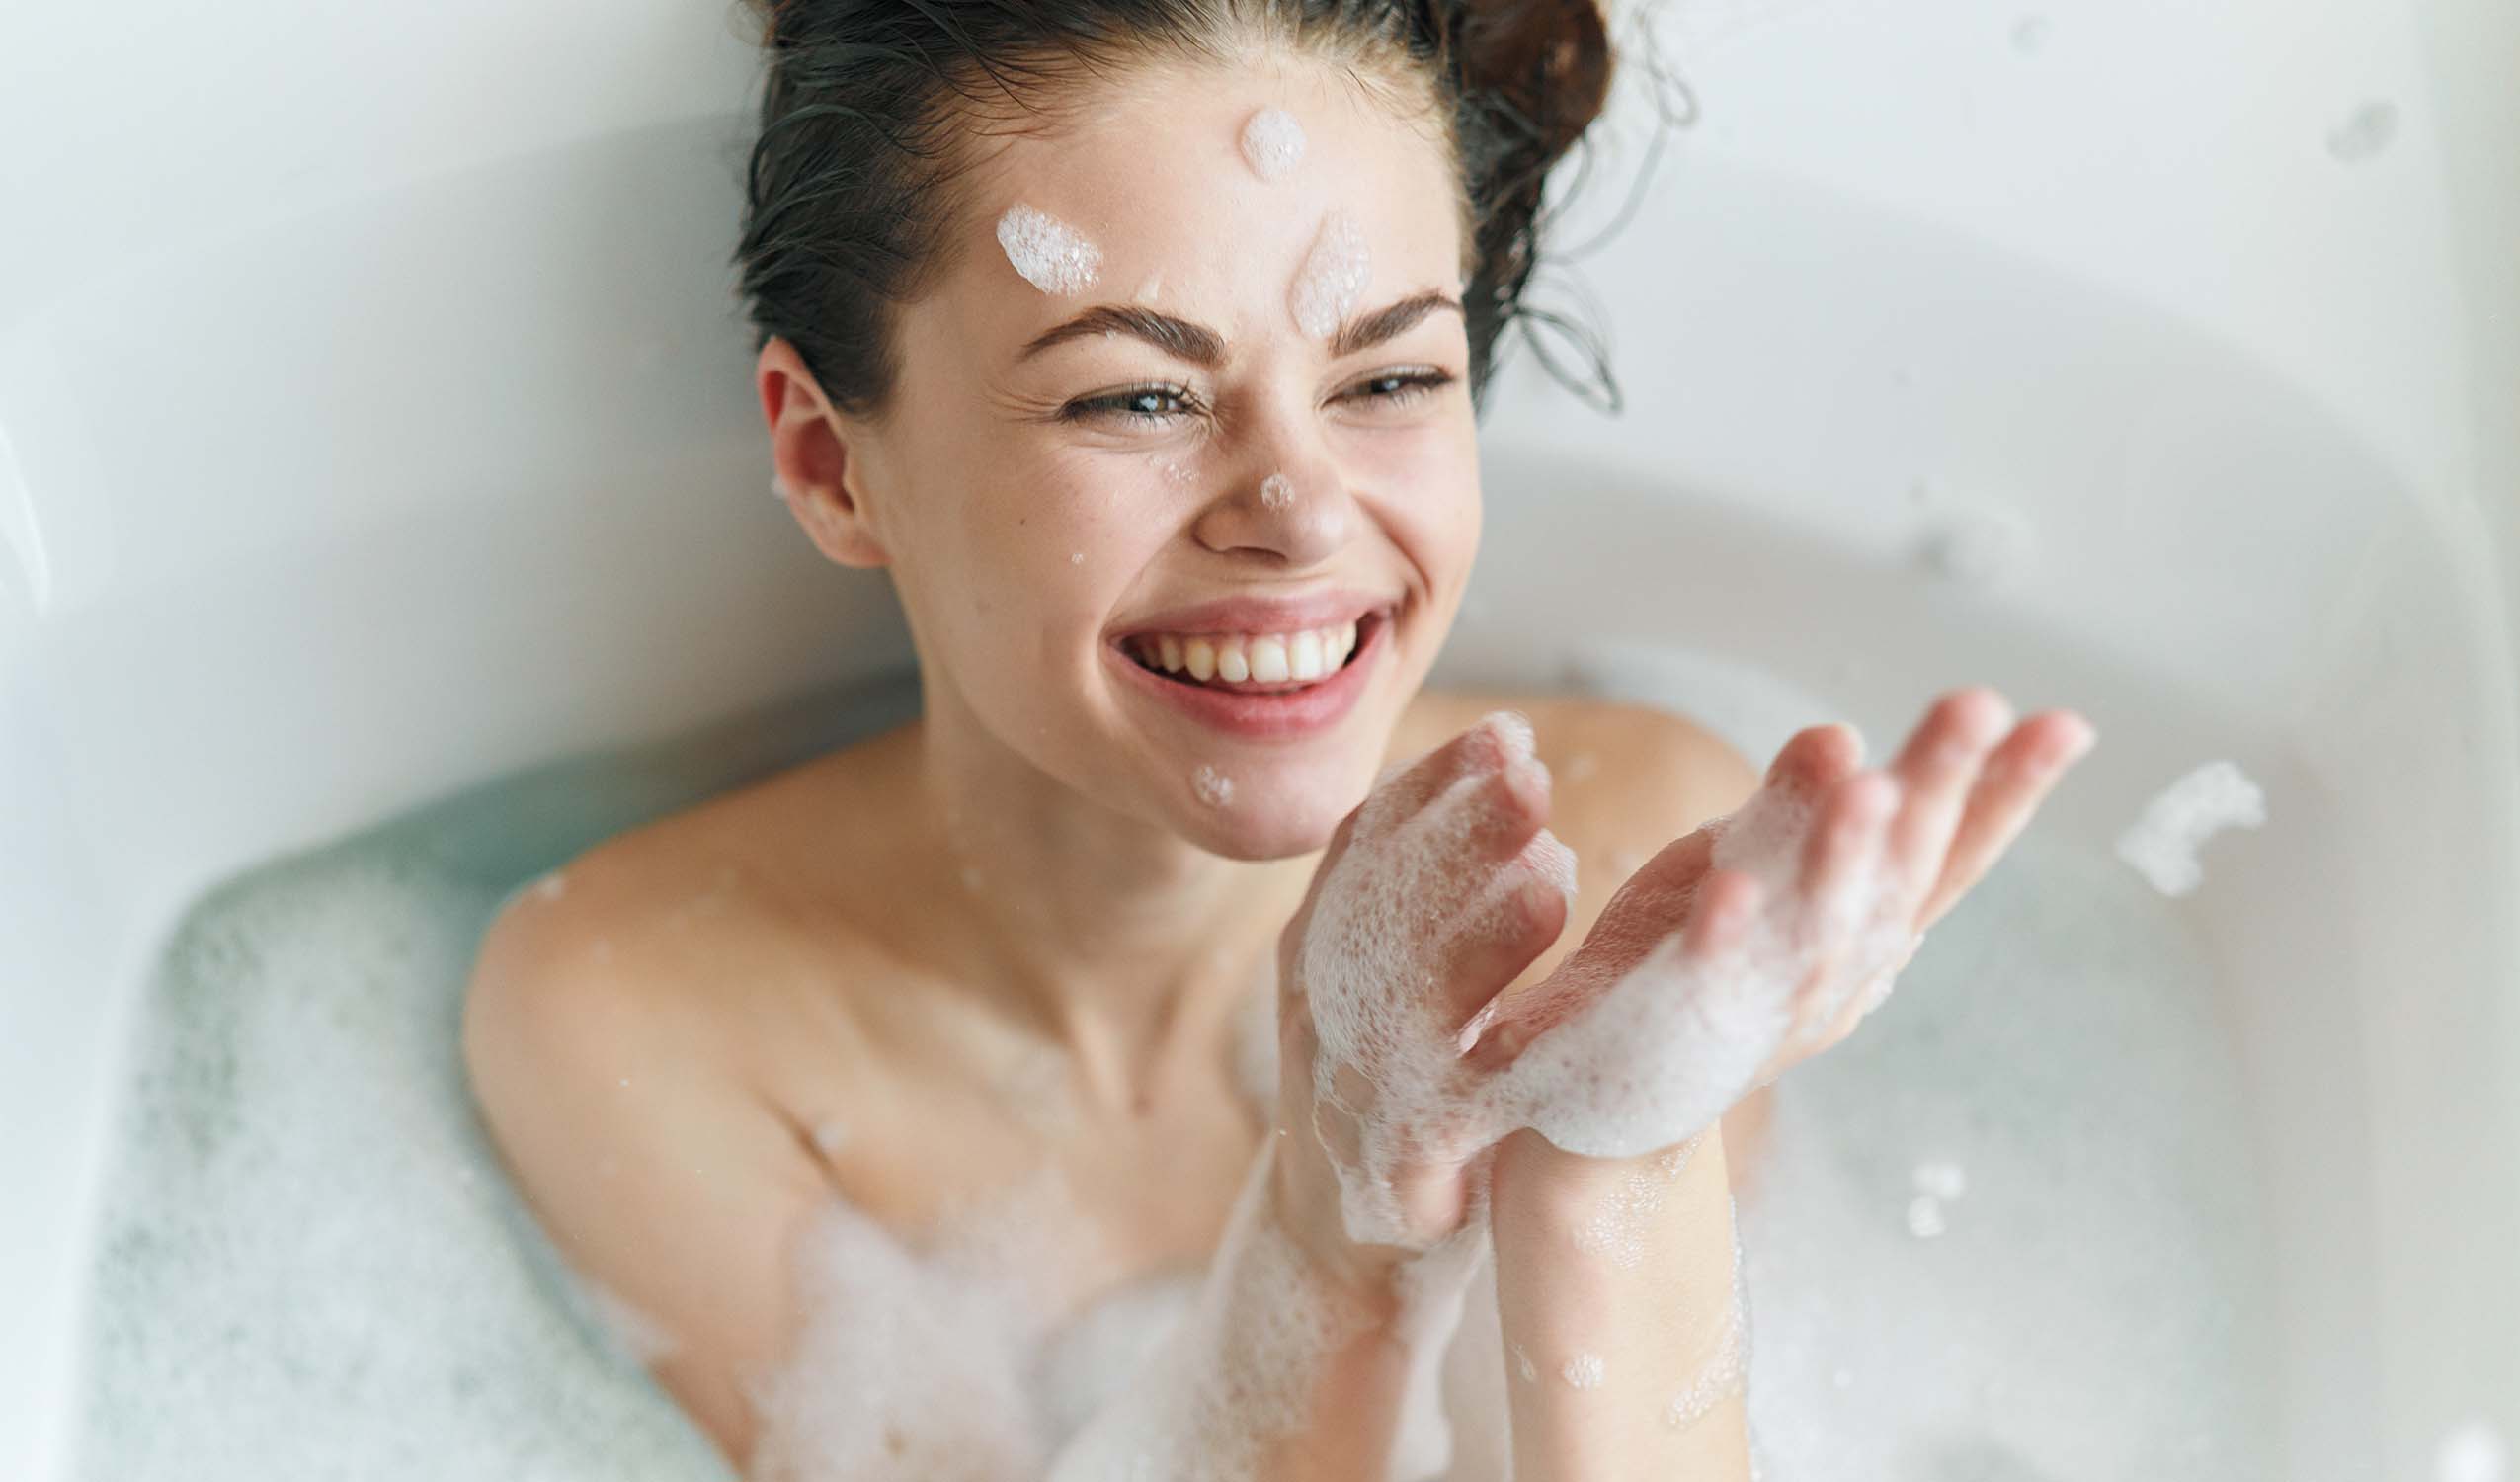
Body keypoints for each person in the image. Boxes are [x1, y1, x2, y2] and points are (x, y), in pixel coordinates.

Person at [461, 2, 2096, 1476]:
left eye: (1388, 376)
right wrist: (1334, 1244)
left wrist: (1615, 1166)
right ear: (831, 465)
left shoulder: (1640, 851)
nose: (1303, 512)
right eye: (1137, 398)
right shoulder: (647, 1016)